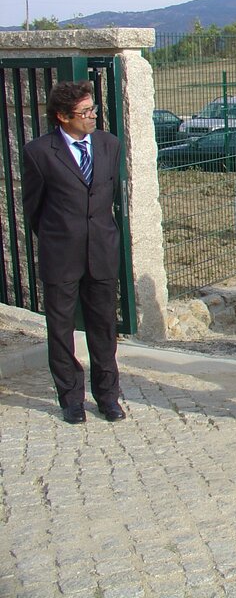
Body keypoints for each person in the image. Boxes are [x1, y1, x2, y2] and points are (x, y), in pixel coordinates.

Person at [22, 80, 126, 424]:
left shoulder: (109, 145)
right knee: (61, 330)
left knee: (103, 329)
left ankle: (108, 396)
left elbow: (110, 198)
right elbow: (34, 209)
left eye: (93, 108)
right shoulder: (39, 152)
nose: (93, 116)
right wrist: (60, 238)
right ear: (63, 117)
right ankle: (71, 399)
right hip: (61, 257)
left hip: (102, 253)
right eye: (85, 112)